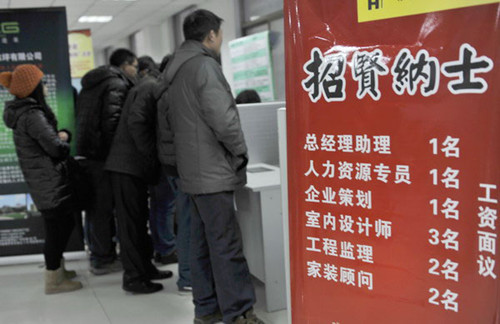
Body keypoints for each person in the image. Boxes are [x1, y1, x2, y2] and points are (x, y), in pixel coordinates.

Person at [162, 9, 263, 324]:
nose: (220, 41)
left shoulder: (175, 70)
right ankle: (239, 313)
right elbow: (224, 120)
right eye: (220, 35)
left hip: (191, 171)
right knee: (226, 245)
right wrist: (240, 153)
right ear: (210, 36)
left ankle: (207, 309)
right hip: (212, 171)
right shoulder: (204, 67)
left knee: (202, 243)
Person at [0, 64, 82, 294]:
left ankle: (57, 270)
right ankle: (53, 280)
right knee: (59, 228)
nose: (45, 86)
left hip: (44, 180)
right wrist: (64, 139)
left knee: (58, 226)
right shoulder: (32, 114)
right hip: (49, 180)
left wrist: (58, 138)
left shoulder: (24, 113)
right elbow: (55, 149)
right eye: (42, 82)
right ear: (33, 87)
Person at [105, 55, 172, 294]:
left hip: (131, 167)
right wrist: (151, 158)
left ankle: (145, 268)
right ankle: (134, 278)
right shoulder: (151, 87)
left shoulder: (149, 85)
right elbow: (136, 123)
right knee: (131, 226)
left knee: (138, 221)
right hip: (127, 167)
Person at [76, 48, 138, 275]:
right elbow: (112, 124)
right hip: (106, 156)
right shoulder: (116, 85)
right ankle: (103, 257)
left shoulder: (90, 84)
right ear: (125, 66)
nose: (136, 71)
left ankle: (98, 253)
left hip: (89, 155)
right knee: (104, 208)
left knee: (95, 208)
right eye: (135, 66)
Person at [156, 54, 193, 293]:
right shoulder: (175, 95)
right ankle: (188, 277)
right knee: (189, 222)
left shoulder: (164, 92)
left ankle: (189, 275)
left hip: (171, 164)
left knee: (185, 219)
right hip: (181, 166)